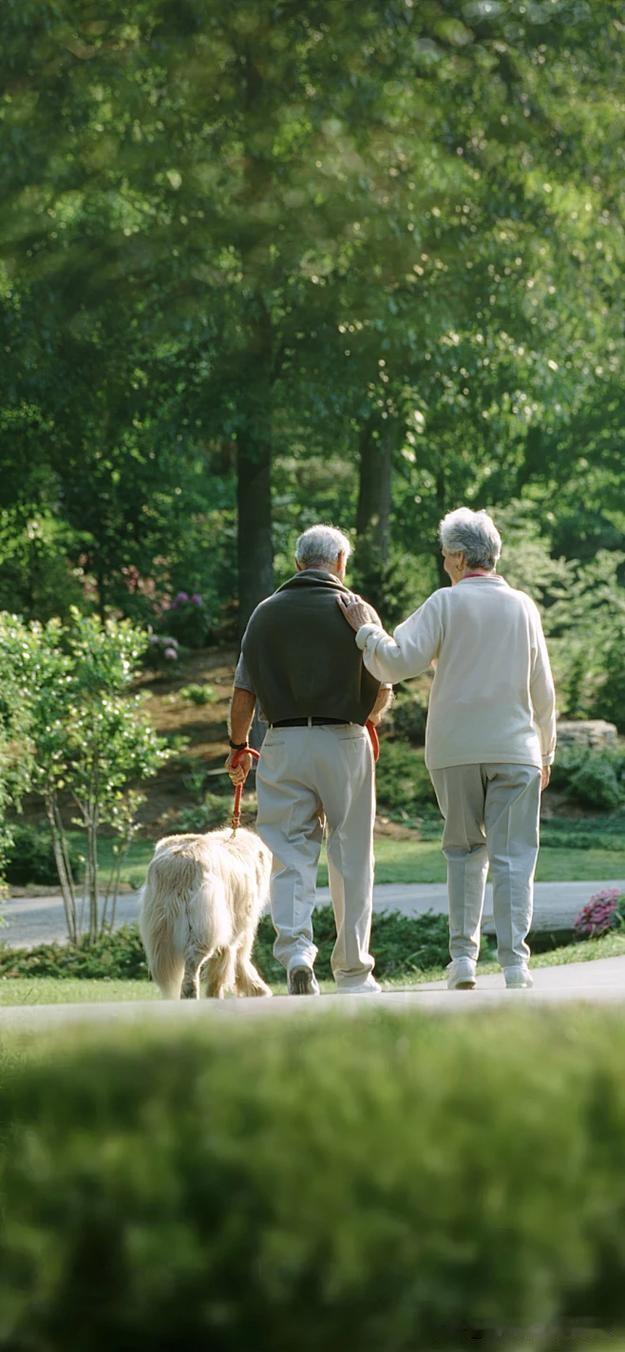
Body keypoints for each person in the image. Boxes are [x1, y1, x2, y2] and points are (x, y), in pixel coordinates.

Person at [339, 507, 556, 991]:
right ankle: (516, 965)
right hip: (516, 748)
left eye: (444, 556)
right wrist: (546, 750)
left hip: (455, 748)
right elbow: (543, 688)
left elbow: (395, 663)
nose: (443, 564)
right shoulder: (523, 606)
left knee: (462, 851)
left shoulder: (444, 603)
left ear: (459, 557)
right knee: (514, 857)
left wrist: (366, 630)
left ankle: (463, 960)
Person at [226, 525, 392, 996]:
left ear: (299, 563)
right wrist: (370, 719)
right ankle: (355, 972)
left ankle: (297, 951)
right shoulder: (357, 610)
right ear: (340, 561)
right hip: (345, 739)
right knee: (352, 855)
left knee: (288, 853)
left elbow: (244, 692)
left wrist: (238, 744)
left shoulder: (265, 614)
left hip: (283, 739)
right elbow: (382, 684)